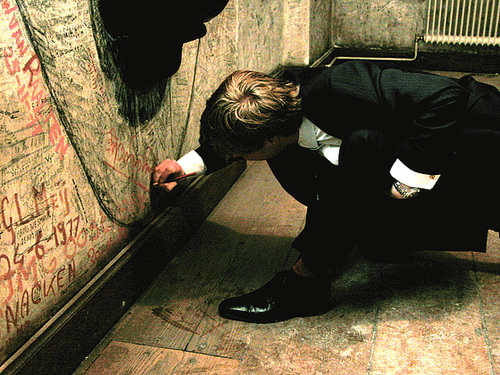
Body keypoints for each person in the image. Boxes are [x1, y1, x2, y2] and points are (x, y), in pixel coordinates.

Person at [153, 61, 500, 324]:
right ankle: (329, 269)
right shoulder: (277, 113)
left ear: (270, 139)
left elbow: (446, 96)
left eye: (245, 155)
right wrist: (186, 166)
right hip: (406, 147)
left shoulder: (338, 85)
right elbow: (243, 134)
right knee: (355, 185)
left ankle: (304, 287)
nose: (244, 160)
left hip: (472, 139)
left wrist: (406, 181)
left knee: (363, 158)